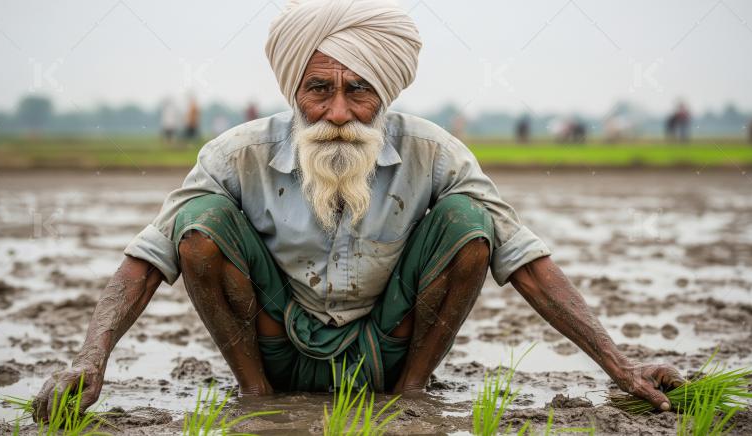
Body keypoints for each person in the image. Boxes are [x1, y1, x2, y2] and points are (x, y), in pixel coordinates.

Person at [33, 0, 683, 421]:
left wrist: (619, 365)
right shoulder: (238, 154)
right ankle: (256, 400)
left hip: (388, 351)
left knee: (471, 223)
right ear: (294, 90)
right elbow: (143, 262)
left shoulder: (435, 151)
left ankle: (412, 398)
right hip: (272, 344)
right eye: (319, 91)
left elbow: (528, 262)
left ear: (387, 92)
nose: (338, 114)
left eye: (358, 91)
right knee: (197, 224)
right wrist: (92, 357)